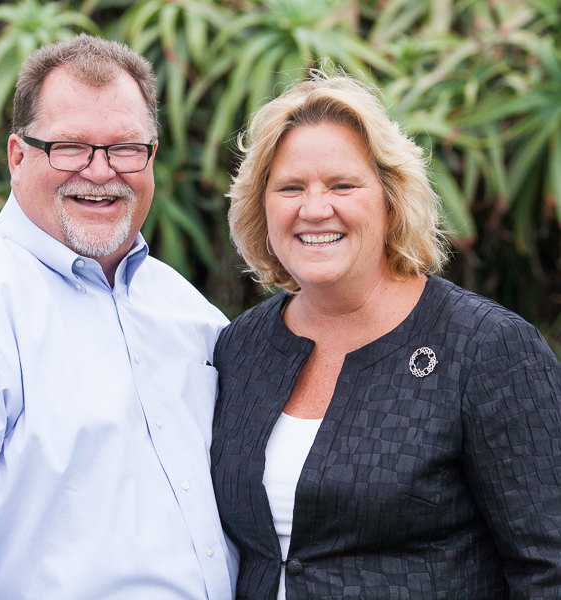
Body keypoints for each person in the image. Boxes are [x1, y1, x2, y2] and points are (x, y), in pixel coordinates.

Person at [0, 34, 237, 599]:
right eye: (70, 147)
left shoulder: (188, 315)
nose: (100, 172)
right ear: (17, 155)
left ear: (152, 157)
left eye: (126, 148)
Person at [210, 71, 561, 599]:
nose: (314, 208)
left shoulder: (487, 348)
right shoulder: (240, 347)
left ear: (391, 197)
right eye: (290, 188)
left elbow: (548, 566)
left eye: (342, 185)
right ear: (261, 207)